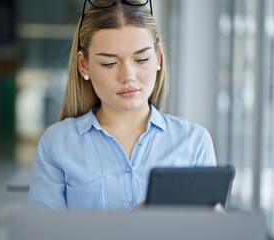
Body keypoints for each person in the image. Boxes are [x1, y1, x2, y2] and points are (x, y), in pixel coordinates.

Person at [28, 0, 216, 210]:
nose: (128, 76)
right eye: (109, 63)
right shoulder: (57, 144)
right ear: (83, 66)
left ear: (158, 57)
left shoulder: (194, 142)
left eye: (142, 59)